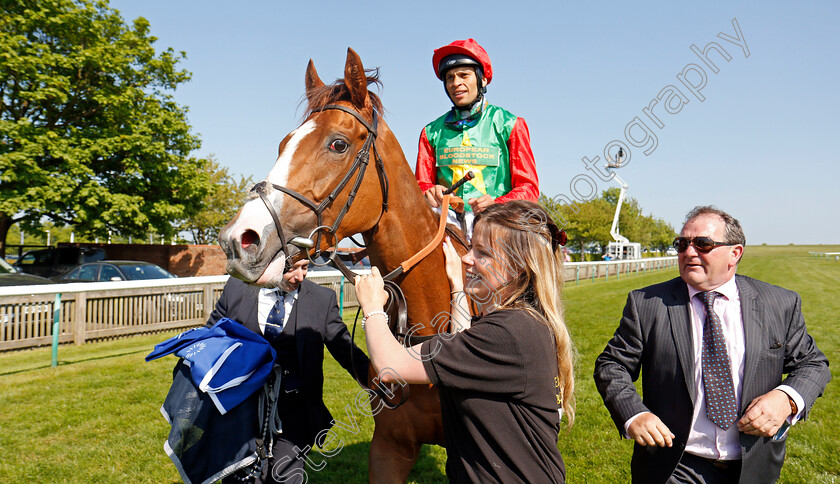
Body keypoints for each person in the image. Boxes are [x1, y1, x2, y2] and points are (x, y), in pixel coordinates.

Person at [594, 206, 830, 484]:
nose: (689, 252)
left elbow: (813, 364)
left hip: (753, 464)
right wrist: (634, 414)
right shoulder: (647, 304)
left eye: (703, 244)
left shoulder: (778, 303)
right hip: (675, 464)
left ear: (735, 253)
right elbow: (612, 365)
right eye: (682, 244)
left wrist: (786, 399)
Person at [355, 200, 574, 483]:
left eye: (482, 253)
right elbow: (463, 342)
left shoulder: (505, 334)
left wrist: (373, 307)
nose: (467, 258)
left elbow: (389, 367)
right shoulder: (521, 322)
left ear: (520, 268)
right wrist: (458, 288)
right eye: (471, 247)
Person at [207, 258, 370, 483]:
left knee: (286, 478)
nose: (300, 276)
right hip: (241, 412)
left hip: (295, 413)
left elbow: (345, 350)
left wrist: (379, 379)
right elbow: (213, 336)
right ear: (271, 262)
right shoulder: (238, 288)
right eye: (292, 268)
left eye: (306, 267)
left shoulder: (322, 300)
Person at [415, 38, 539, 236]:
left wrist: (498, 203)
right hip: (445, 228)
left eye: (464, 75)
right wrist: (429, 191)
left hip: (499, 227)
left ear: (482, 79)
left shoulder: (511, 124)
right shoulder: (430, 132)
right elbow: (421, 184)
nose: (456, 83)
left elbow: (529, 189)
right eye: (450, 78)